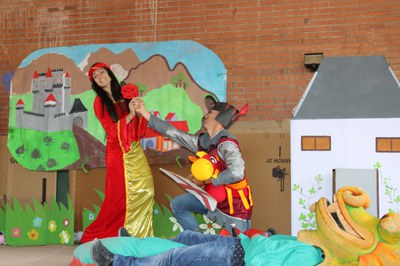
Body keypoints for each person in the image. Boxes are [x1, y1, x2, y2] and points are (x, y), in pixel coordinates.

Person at [134, 99, 253, 232]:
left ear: (219, 118)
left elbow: (237, 172)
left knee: (237, 248)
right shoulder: (204, 142)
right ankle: (198, 240)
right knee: (179, 205)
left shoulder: (227, 143)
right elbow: (174, 134)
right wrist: (144, 113)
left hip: (233, 206)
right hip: (212, 198)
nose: (206, 116)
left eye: (211, 113)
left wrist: (207, 181)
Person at [80, 62, 154, 243]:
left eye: (101, 72)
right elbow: (111, 129)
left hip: (134, 149)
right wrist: (128, 115)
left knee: (146, 190)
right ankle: (99, 234)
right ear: (94, 82)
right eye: (95, 76)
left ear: (110, 74)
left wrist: (138, 108)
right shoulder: (99, 102)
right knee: (117, 197)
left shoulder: (125, 92)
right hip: (117, 152)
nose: (99, 77)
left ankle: (139, 233)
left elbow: (139, 128)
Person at [89, 229, 324, 266]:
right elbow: (274, 240)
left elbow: (265, 261)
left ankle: (116, 262)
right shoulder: (307, 241)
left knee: (173, 258)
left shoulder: (310, 257)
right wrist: (267, 235)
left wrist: (254, 251)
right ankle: (140, 243)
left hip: (233, 257)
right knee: (186, 236)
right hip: (237, 243)